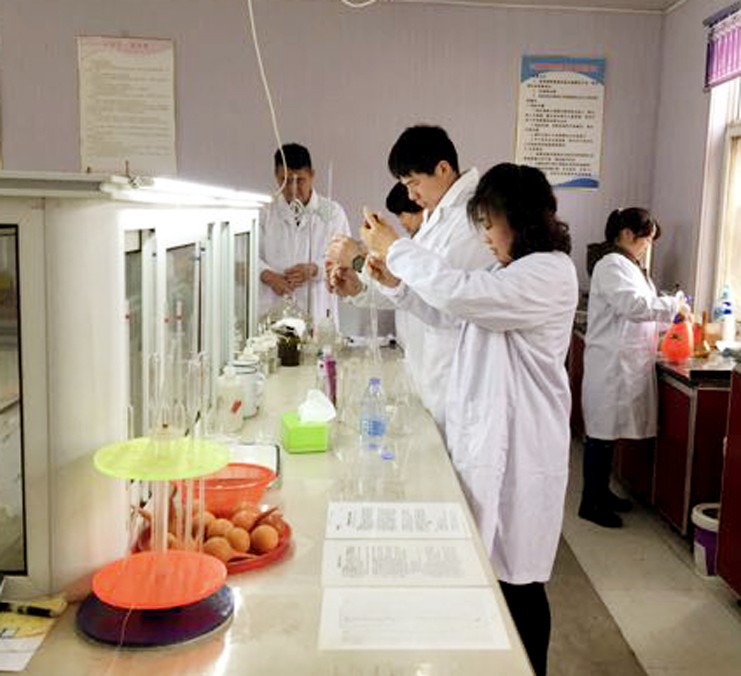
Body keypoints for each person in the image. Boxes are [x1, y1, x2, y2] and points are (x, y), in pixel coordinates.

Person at [361, 163, 578, 676]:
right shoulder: (505, 272)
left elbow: (463, 295)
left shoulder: (550, 272)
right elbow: (453, 312)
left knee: (520, 584)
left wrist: (396, 248)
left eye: (489, 223)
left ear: (520, 219)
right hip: (489, 439)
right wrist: (397, 286)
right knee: (492, 575)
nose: (484, 237)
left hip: (523, 448)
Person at [325, 125, 492, 429]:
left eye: (414, 183)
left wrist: (384, 249)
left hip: (456, 374)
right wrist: (359, 287)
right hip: (428, 367)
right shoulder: (436, 216)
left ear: (443, 169)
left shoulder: (471, 219)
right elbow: (410, 289)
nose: (412, 195)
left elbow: (448, 302)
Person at [580, 208, 688, 528]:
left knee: (608, 436)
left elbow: (643, 310)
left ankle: (602, 492)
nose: (647, 246)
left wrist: (669, 320)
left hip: (623, 363)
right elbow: (634, 306)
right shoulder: (611, 264)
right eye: (646, 239)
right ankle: (590, 502)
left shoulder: (630, 267)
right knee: (600, 436)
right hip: (610, 365)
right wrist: (674, 305)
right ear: (627, 234)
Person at [259, 143, 351, 325]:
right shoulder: (264, 212)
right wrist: (268, 275)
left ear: (312, 175)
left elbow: (346, 261)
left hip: (318, 311)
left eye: (300, 180)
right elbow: (244, 257)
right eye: (285, 180)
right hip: (273, 309)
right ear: (276, 177)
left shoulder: (332, 213)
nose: (293, 188)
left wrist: (315, 270)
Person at [326, 182, 424, 349]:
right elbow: (396, 295)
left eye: (403, 214)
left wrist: (357, 262)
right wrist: (358, 289)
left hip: (432, 352)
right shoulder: (411, 246)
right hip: (411, 350)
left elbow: (417, 295)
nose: (401, 222)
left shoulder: (429, 249)